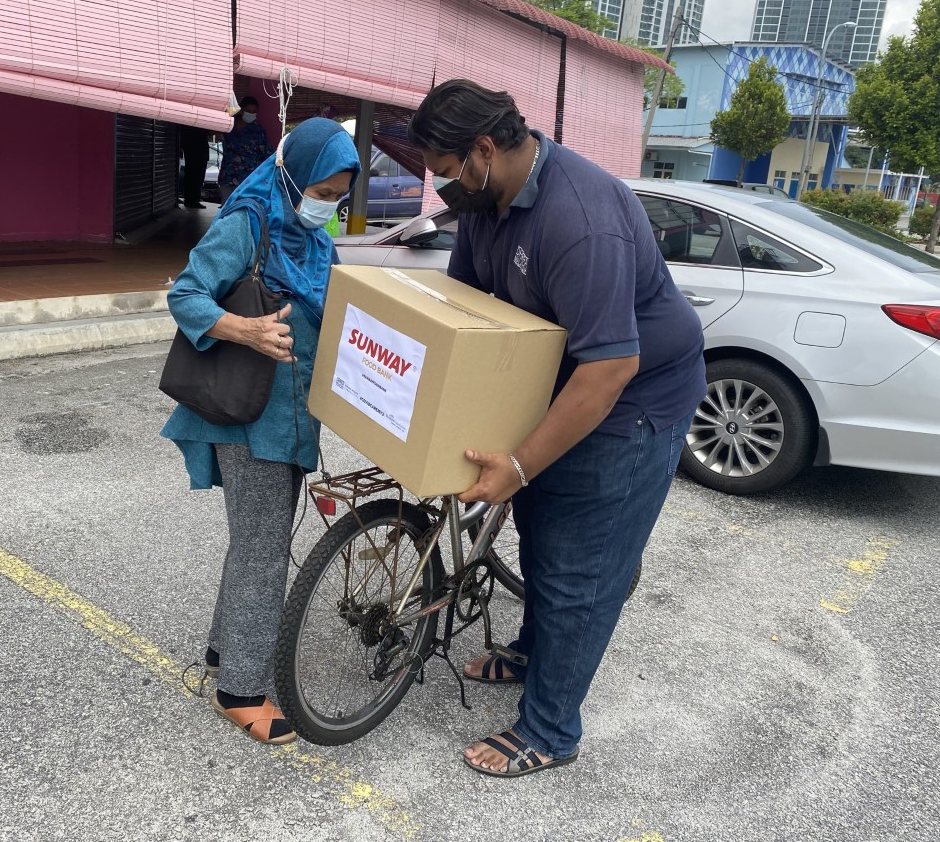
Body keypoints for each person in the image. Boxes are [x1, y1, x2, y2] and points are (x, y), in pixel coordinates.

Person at [406, 80, 706, 777]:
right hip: (557, 385)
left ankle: (549, 729)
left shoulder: (581, 218)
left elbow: (608, 371)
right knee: (541, 533)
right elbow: (464, 312)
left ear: (484, 148)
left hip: (631, 401)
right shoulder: (486, 200)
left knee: (580, 571)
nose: (446, 188)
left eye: (448, 171)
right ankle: (535, 651)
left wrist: (517, 465)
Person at [160, 118, 361, 745]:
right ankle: (241, 690)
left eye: (338, 194)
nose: (326, 204)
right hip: (248, 416)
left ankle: (225, 652)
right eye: (321, 190)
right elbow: (186, 294)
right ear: (293, 174)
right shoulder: (249, 221)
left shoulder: (315, 244)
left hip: (293, 418)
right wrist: (245, 330)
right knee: (264, 550)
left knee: (254, 542)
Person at [218, 95, 273, 204]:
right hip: (228, 176)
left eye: (254, 112)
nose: (251, 114)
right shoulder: (229, 125)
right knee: (227, 209)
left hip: (248, 180)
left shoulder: (257, 130)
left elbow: (267, 154)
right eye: (248, 111)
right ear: (241, 110)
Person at [180, 125, 210, 209]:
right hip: (197, 150)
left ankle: (191, 199)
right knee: (196, 176)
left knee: (192, 175)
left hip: (195, 149)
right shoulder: (196, 127)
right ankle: (192, 200)